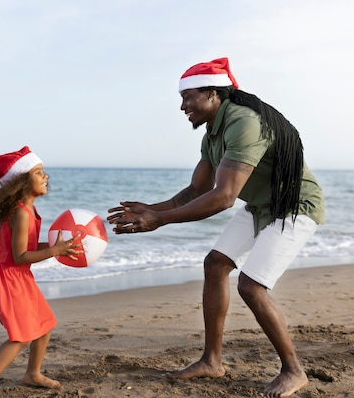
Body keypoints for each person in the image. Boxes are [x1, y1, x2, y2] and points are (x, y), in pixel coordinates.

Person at [107, 58, 325, 398]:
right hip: (259, 207)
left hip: (294, 207)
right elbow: (196, 191)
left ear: (212, 93)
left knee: (251, 286)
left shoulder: (244, 122)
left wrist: (159, 220)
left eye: (188, 96)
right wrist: (150, 209)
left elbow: (223, 197)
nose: (182, 106)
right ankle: (212, 361)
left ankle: (294, 371)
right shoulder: (213, 134)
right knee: (215, 264)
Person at [0, 146, 83, 398]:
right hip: (5, 277)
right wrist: (54, 251)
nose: (46, 176)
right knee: (20, 337)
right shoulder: (20, 213)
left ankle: (32, 374)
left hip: (17, 276)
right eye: (38, 172)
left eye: (43, 171)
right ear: (20, 181)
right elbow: (20, 257)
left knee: (44, 324)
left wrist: (57, 247)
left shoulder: (29, 211)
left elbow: (27, 249)